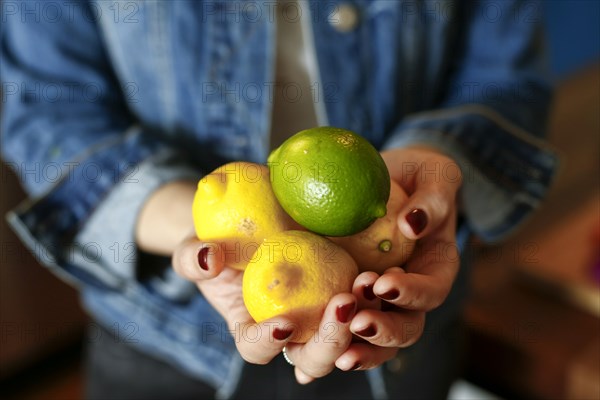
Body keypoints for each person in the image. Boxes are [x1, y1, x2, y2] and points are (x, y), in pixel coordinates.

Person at [1, 1, 559, 399]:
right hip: (160, 336)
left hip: (396, 308)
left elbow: (505, 77)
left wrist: (427, 169)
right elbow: (47, 104)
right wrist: (208, 239)